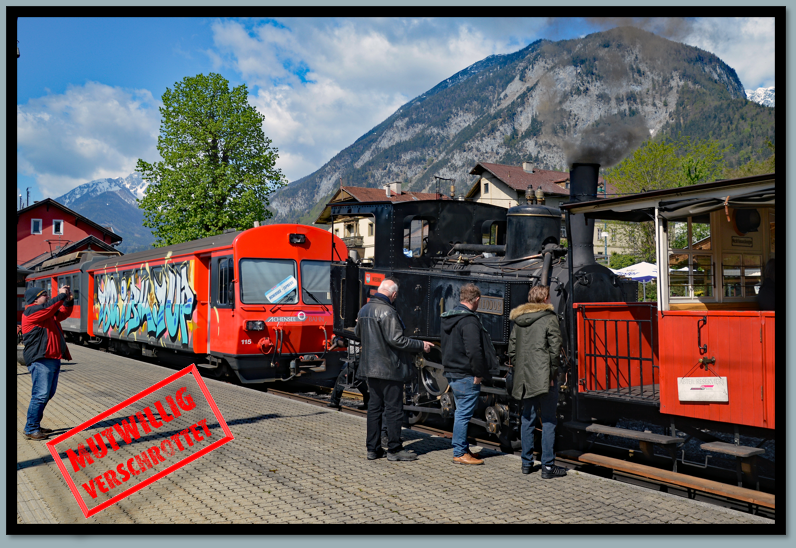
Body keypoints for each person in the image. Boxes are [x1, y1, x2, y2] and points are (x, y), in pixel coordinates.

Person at [355, 278, 433, 461]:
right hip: (390, 369)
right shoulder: (388, 311)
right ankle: (394, 449)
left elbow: (358, 334)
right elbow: (397, 340)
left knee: (374, 408)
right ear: (394, 294)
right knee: (393, 409)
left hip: (370, 369)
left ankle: (372, 449)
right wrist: (420, 345)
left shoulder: (364, 309)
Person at [508, 285, 567, 479]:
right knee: (549, 420)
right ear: (544, 299)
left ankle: (526, 464)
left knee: (527, 419)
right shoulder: (549, 318)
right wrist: (551, 376)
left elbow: (512, 351)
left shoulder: (519, 320)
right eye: (549, 297)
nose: (551, 301)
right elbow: (555, 349)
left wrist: (522, 372)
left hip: (525, 379)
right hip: (544, 379)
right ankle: (548, 467)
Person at [440, 283, 497, 465]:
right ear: (477, 300)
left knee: (460, 413)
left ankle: (463, 448)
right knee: (463, 414)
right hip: (466, 374)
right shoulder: (469, 321)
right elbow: (474, 351)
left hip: (452, 371)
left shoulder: (451, 317)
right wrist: (479, 373)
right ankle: (459, 453)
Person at [21, 284, 74, 441]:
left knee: (47, 394)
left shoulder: (46, 313)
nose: (48, 297)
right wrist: (61, 295)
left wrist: (68, 301)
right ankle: (31, 428)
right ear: (35, 299)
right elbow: (51, 307)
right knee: (40, 395)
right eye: (44, 294)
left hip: (52, 358)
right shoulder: (32, 311)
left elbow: (62, 313)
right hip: (41, 359)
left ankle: (34, 424)